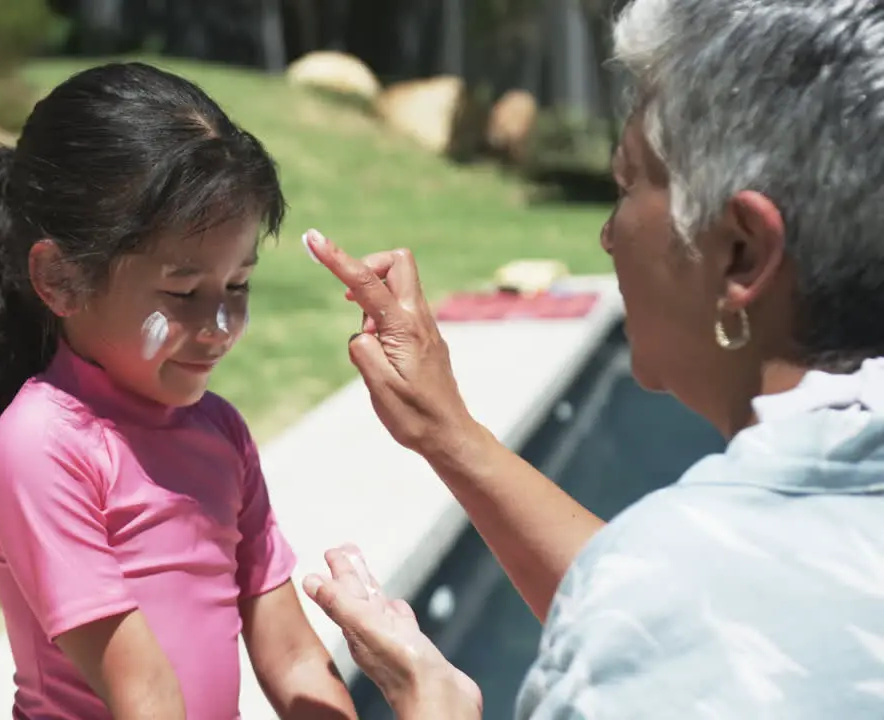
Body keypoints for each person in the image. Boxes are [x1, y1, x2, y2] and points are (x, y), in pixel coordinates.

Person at [298, 0, 884, 718]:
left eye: (629, 182)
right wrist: (446, 431)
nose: (609, 235)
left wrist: (434, 703)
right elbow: (706, 592)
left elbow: (672, 618)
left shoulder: (656, 629)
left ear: (741, 253)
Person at [0, 62, 356, 720]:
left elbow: (293, 656)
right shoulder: (42, 450)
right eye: (183, 293)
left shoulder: (220, 433)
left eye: (237, 285)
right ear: (61, 279)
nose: (219, 326)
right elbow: (145, 696)